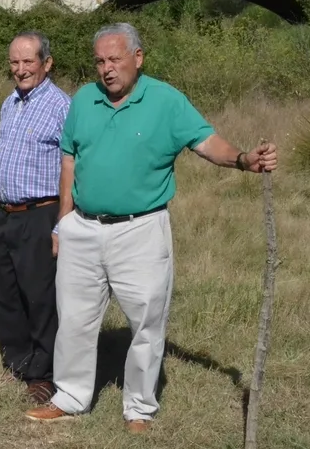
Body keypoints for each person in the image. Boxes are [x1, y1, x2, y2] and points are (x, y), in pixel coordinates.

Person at [25, 23, 279, 433]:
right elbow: (69, 159)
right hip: (83, 228)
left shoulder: (166, 101)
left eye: (115, 59)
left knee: (146, 320)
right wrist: (64, 221)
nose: (106, 69)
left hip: (140, 230)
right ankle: (70, 397)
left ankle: (138, 408)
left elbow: (207, 143)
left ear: (138, 58)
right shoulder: (84, 100)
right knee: (74, 318)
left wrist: (244, 159)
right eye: (100, 61)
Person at [0, 31, 72, 404]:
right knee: (6, 295)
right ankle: (18, 362)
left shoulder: (61, 106)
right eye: (15, 62)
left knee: (40, 297)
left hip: (40, 214)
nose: (21, 70)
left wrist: (61, 224)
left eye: (28, 62)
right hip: (5, 212)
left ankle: (44, 373)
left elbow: (74, 167)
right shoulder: (10, 103)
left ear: (47, 63)